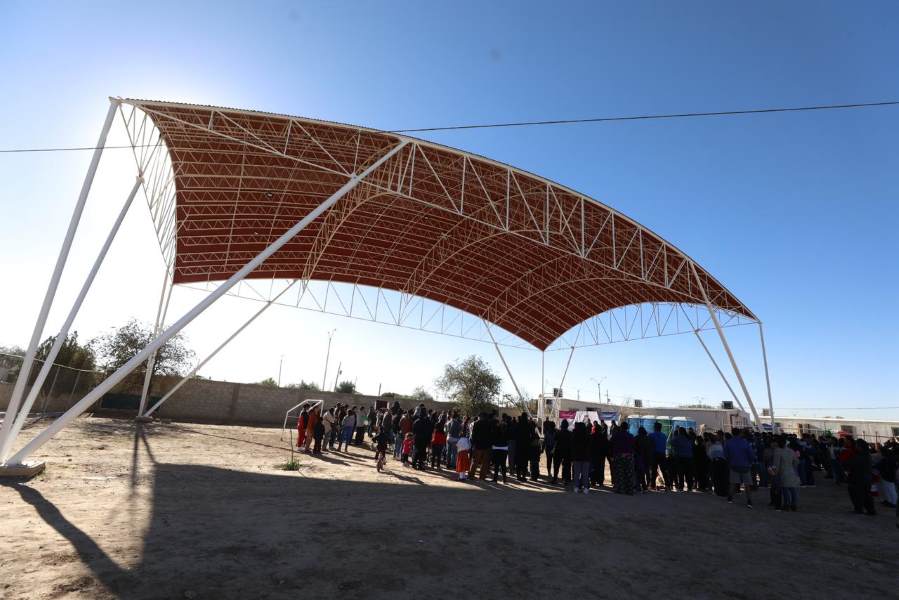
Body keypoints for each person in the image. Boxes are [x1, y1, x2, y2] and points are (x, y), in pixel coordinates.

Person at [725, 428, 755, 508]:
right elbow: (751, 454)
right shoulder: (745, 442)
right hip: (745, 465)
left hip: (734, 465)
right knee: (747, 484)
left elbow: (726, 455)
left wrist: (729, 462)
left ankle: (730, 498)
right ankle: (749, 501)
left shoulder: (728, 442)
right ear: (739, 433)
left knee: (733, 483)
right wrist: (751, 462)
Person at [847, 439, 876, 515]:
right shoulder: (865, 454)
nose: (855, 446)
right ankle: (868, 509)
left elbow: (854, 465)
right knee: (865, 494)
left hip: (860, 478)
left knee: (859, 494)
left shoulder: (862, 455)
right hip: (864, 477)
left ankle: (861, 509)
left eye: (857, 445)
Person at [772, 436, 800, 511]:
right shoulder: (791, 451)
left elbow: (776, 464)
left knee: (785, 489)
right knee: (792, 489)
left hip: (783, 472)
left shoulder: (777, 451)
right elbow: (796, 461)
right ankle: (794, 505)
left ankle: (787, 505)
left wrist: (775, 473)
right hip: (791, 471)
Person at [610, 420, 635, 495]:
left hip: (618, 456)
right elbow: (633, 446)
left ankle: (620, 489)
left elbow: (611, 444)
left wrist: (612, 455)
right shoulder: (631, 436)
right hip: (628, 456)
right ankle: (629, 490)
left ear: (621, 428)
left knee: (619, 473)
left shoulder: (616, 435)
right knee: (629, 473)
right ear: (627, 428)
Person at [469, 413, 493, 480]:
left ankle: (471, 475)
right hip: (487, 446)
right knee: (485, 463)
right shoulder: (489, 423)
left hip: (478, 445)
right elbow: (491, 434)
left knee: (475, 461)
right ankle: (482, 477)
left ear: (480, 417)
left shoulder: (476, 423)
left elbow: (473, 434)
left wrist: (473, 443)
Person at [670, 427, 694, 492]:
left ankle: (681, 487)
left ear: (679, 432)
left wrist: (674, 435)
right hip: (689, 458)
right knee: (688, 473)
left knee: (681, 473)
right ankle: (690, 487)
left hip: (680, 458)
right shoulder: (689, 438)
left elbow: (671, 442)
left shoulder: (677, 438)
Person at [648, 422, 669, 490]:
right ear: (660, 428)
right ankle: (668, 485)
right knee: (664, 470)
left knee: (654, 470)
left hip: (654, 454)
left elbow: (649, 444)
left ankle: (652, 485)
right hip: (662, 454)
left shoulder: (651, 435)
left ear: (655, 427)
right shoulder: (664, 435)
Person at [551, 419, 573, 486]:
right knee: (566, 467)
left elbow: (555, 441)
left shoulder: (558, 432)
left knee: (556, 466)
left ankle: (555, 479)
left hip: (558, 451)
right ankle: (565, 480)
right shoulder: (570, 433)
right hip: (567, 451)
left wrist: (553, 450)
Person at [571, 421, 591, 493]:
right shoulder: (588, 435)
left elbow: (572, 447)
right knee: (585, 474)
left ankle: (576, 487)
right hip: (586, 457)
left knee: (576, 474)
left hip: (577, 457)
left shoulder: (574, 436)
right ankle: (586, 488)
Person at [709, 433, 729, 497]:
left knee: (716, 477)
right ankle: (724, 491)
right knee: (723, 477)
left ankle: (718, 491)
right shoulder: (721, 444)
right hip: (723, 461)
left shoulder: (711, 446)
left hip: (715, 462)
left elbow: (709, 455)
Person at [634, 426, 653, 492]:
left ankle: (639, 486)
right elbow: (651, 449)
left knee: (638, 473)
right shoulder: (648, 438)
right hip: (647, 458)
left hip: (639, 458)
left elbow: (634, 448)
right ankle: (648, 486)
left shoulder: (636, 438)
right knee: (647, 472)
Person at [491, 416, 510, 483]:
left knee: (496, 465)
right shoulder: (506, 431)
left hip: (496, 447)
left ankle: (495, 479)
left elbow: (493, 438)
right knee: (503, 465)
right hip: (504, 448)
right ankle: (504, 479)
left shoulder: (496, 430)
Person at [515, 414, 532, 482]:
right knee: (524, 462)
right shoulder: (528, 425)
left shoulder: (518, 424)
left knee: (518, 462)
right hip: (526, 446)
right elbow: (531, 434)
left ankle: (518, 476)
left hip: (519, 445)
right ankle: (523, 476)